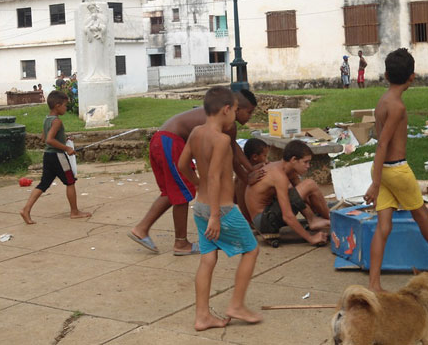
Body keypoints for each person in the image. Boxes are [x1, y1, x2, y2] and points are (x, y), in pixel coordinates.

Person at [364, 48, 428, 291]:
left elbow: (379, 144)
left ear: (385, 75)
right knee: (421, 215)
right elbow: (384, 143)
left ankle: (374, 284)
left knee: (383, 226)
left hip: (384, 171)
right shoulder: (397, 106)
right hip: (396, 171)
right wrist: (375, 184)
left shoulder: (382, 101)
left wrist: (377, 178)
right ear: (412, 77)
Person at [130, 85, 259, 257]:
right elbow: (232, 157)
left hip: (161, 140)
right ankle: (180, 243)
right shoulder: (227, 124)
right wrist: (247, 177)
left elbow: (233, 148)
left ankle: (141, 229)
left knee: (173, 191)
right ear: (232, 109)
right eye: (247, 112)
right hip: (170, 142)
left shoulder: (219, 117)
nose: (249, 117)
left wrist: (250, 170)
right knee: (183, 191)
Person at [177, 86, 260, 330]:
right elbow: (214, 177)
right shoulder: (222, 140)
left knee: (208, 259)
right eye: (235, 110)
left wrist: (197, 184)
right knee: (252, 250)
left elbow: (183, 165)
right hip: (220, 210)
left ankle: (202, 316)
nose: (235, 115)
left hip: (200, 206)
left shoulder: (195, 132)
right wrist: (215, 215)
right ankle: (236, 305)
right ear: (225, 110)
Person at [20, 90, 91, 225]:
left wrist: (64, 139)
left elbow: (43, 138)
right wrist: (67, 148)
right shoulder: (57, 121)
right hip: (58, 156)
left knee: (44, 184)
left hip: (48, 156)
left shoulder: (47, 119)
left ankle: (26, 209)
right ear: (57, 106)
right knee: (70, 181)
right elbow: (49, 140)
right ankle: (74, 212)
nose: (66, 108)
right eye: (65, 105)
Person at [245, 139, 330, 245]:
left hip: (266, 215)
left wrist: (313, 209)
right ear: (294, 160)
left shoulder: (286, 169)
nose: (308, 166)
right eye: (306, 162)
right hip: (264, 221)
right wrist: (311, 238)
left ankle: (315, 219)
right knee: (310, 184)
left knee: (305, 187)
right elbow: (287, 216)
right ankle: (333, 220)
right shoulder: (279, 176)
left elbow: (301, 195)